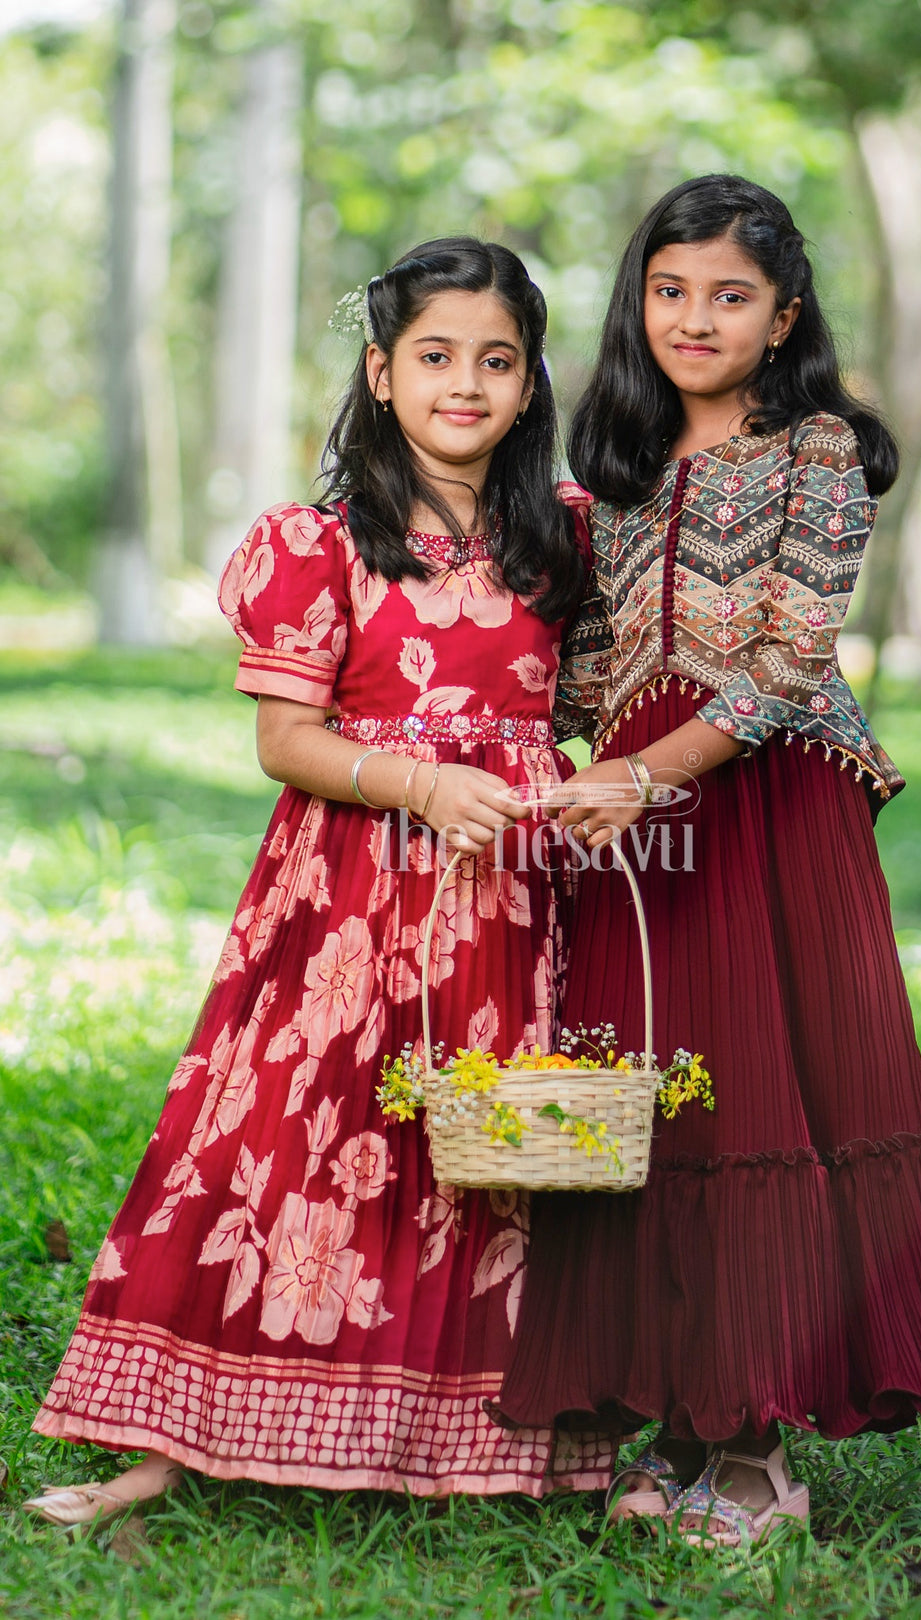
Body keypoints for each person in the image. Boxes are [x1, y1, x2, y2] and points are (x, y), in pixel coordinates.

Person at [496, 175, 921, 1546]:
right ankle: (687, 1427)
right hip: (637, 829)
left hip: (765, 802)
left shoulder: (818, 450)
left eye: (729, 296)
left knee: (762, 1104)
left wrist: (639, 771)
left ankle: (758, 1462)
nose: (695, 317)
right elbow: (580, 667)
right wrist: (551, 759)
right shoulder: (609, 467)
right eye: (671, 289)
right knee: (658, 1108)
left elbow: (787, 664)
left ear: (782, 314)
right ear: (640, 300)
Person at [25, 237, 617, 1525]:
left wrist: (574, 786)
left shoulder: (568, 538)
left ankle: (499, 1439)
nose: (466, 385)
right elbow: (287, 742)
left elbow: (597, 708)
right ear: (380, 369)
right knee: (281, 1136)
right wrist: (424, 785)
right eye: (436, 357)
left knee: (501, 1146)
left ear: (530, 382)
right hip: (349, 886)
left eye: (497, 361)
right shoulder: (318, 539)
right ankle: (167, 1443)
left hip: (514, 890)